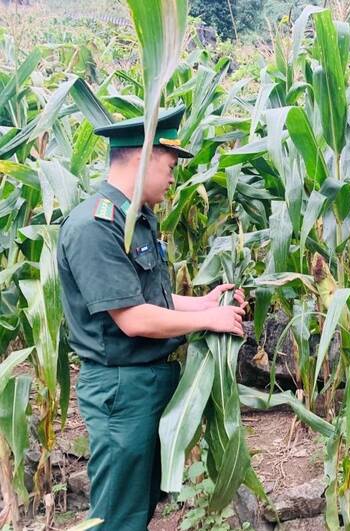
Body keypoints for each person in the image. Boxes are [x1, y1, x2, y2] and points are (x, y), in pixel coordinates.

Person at [57, 106, 247, 531]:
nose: (172, 178)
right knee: (119, 516)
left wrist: (203, 303)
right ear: (142, 158)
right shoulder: (95, 225)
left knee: (140, 507)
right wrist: (208, 323)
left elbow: (149, 297)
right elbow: (133, 319)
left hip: (145, 383)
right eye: (168, 166)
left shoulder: (136, 219)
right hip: (121, 389)